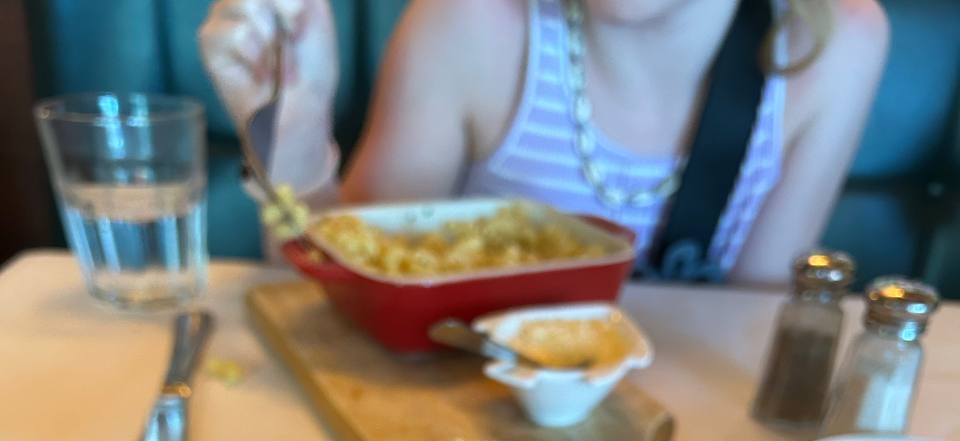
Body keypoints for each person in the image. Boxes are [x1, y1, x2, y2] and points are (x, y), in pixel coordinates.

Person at [199, 0, 888, 283]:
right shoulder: (466, 24)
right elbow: (345, 293)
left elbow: (755, 335)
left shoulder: (839, 46)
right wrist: (293, 147)